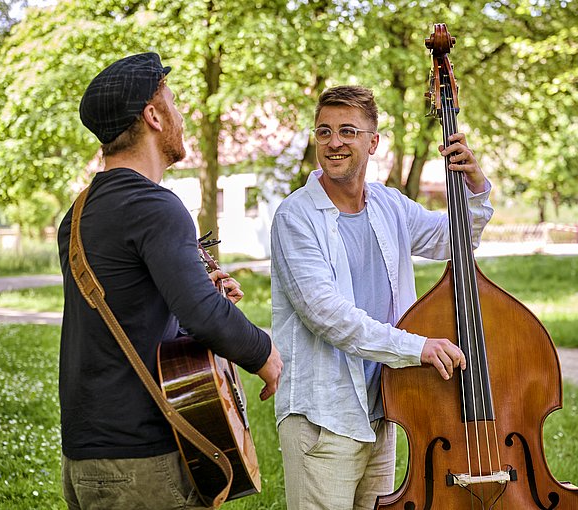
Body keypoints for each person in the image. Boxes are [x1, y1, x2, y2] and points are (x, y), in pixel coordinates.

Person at [57, 52, 282, 510]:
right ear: (153, 115)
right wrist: (265, 354)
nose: (181, 116)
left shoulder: (79, 213)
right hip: (143, 462)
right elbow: (201, 314)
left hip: (85, 458)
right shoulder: (155, 206)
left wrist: (205, 291)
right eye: (174, 103)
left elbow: (131, 315)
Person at [270, 85, 494, 509]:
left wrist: (475, 187)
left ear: (373, 141)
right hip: (323, 418)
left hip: (383, 413)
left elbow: (457, 239)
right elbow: (328, 316)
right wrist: (418, 347)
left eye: (348, 131)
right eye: (324, 131)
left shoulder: (390, 205)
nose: (334, 142)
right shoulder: (294, 217)